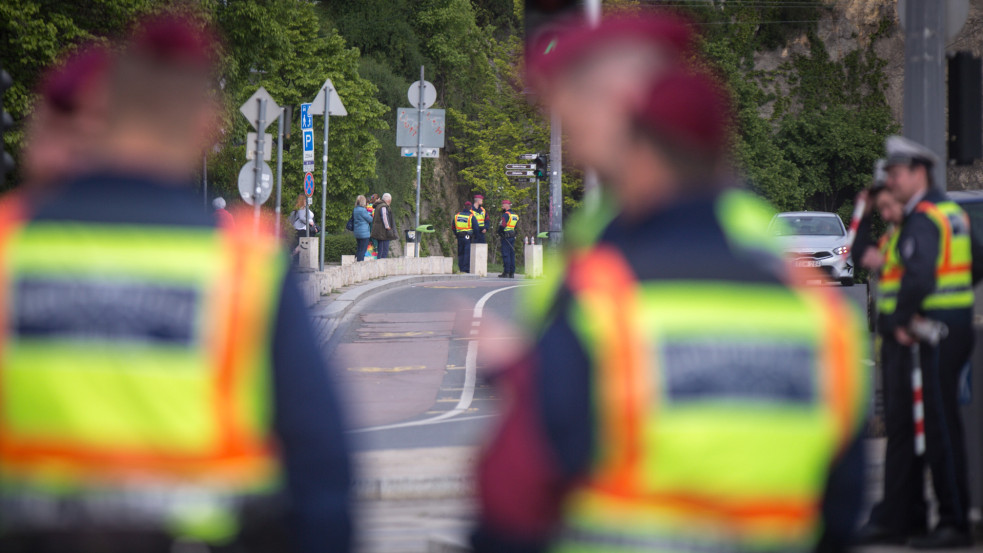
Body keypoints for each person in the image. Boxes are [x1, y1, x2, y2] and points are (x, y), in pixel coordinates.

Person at [472, 37, 869, 553]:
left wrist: (520, 375)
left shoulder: (604, 300)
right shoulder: (821, 316)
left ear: (644, 155)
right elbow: (843, 504)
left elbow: (514, 492)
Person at [0, 15, 351, 553]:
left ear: (103, 114)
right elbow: (321, 477)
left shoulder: (11, 245)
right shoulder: (246, 265)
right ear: (207, 126)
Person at [856, 135, 981, 549]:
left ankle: (953, 521)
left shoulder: (925, 218)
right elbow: (974, 262)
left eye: (896, 173)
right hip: (948, 326)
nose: (890, 181)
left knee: (940, 429)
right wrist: (955, 303)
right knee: (931, 425)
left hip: (934, 333)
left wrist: (897, 319)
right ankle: (922, 516)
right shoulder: (951, 214)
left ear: (919, 172)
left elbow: (920, 277)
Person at [371, 192, 397, 259]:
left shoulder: (379, 206)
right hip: (383, 232)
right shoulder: (383, 207)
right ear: (389, 200)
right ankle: (382, 264)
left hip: (379, 231)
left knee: (380, 249)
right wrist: (388, 227)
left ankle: (379, 263)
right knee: (384, 250)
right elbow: (385, 218)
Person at [496, 199, 519, 278]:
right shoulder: (515, 215)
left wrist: (499, 231)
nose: (502, 206)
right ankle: (512, 273)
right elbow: (515, 227)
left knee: (506, 255)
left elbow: (503, 225)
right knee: (511, 254)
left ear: (506, 206)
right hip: (512, 236)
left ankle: (506, 272)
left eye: (503, 205)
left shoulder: (506, 215)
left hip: (505, 237)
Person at [455, 200, 476, 273]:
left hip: (460, 237)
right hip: (467, 237)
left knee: (460, 253)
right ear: (470, 208)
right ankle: (466, 269)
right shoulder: (471, 216)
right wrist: (474, 236)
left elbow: (453, 226)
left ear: (464, 207)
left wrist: (457, 234)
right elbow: (475, 227)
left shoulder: (457, 215)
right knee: (467, 253)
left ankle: (461, 268)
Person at [352, 194, 373, 261]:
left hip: (357, 232)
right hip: (364, 233)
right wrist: (371, 215)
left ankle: (357, 262)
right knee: (362, 251)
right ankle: (359, 264)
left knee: (359, 249)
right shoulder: (363, 210)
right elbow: (370, 219)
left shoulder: (355, 209)